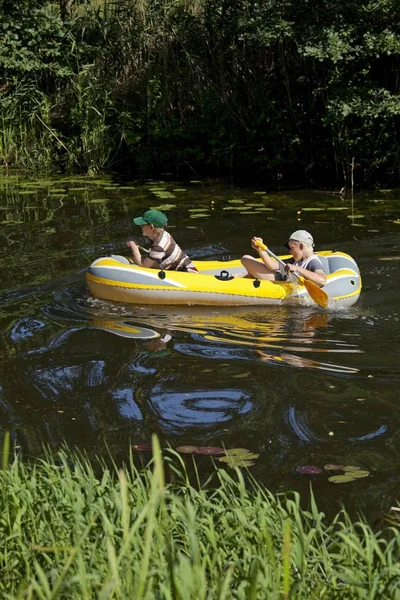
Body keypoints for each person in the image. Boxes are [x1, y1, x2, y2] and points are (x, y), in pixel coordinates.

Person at [238, 229, 326, 287]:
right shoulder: (295, 260)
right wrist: (260, 250)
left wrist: (297, 269)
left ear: (301, 246)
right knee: (246, 259)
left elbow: (322, 280)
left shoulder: (313, 262)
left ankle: (245, 276)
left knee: (246, 259)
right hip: (282, 280)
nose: (290, 252)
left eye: (291, 248)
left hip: (284, 285)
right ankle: (245, 276)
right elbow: (272, 266)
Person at [126, 209, 198, 272]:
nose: (141, 227)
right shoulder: (165, 234)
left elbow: (143, 266)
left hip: (186, 273)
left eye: (142, 225)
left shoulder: (158, 247)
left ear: (151, 227)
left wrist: (133, 245)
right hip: (186, 265)